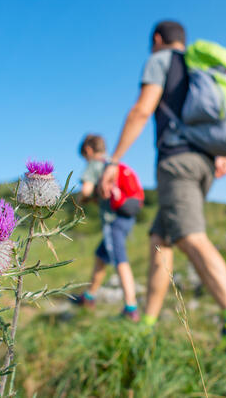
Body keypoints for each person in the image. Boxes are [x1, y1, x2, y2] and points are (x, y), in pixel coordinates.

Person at [100, 21, 226, 348]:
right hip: (204, 164)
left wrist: (113, 160)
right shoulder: (202, 70)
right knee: (161, 239)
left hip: (177, 163)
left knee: (189, 236)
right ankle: (148, 322)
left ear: (158, 39)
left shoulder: (162, 60)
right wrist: (222, 152)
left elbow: (143, 109)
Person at [72, 134, 140, 322]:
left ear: (88, 150)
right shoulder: (113, 162)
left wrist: (82, 200)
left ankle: (131, 308)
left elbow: (85, 191)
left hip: (113, 220)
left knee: (120, 259)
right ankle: (89, 297)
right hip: (127, 216)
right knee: (101, 255)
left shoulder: (95, 164)